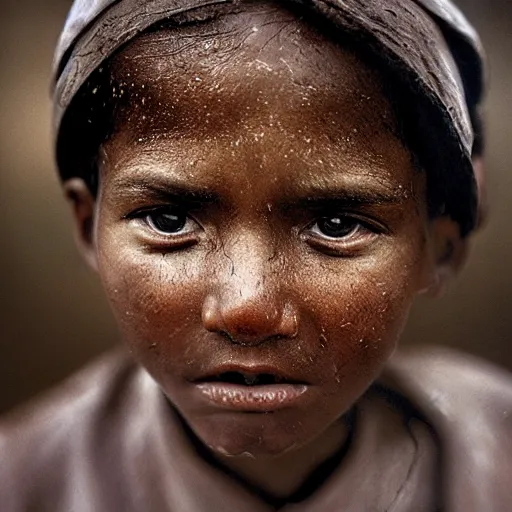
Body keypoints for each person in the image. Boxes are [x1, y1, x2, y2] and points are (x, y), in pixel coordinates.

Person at [1, 0, 511, 510]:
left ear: (439, 249)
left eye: (336, 225)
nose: (248, 308)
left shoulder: (493, 458)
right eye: (169, 220)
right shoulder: (22, 482)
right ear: (88, 225)